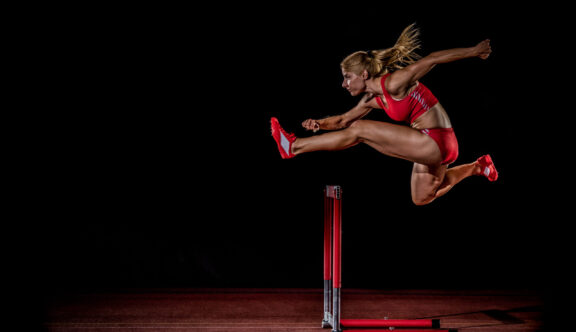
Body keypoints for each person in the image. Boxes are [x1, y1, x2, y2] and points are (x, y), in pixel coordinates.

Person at [271, 23, 498, 205]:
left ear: (364, 74)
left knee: (360, 130)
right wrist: (319, 124)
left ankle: (293, 147)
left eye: (348, 77)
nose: (344, 84)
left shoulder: (394, 83)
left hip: (436, 140)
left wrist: (474, 51)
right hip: (433, 145)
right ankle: (477, 167)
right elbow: (342, 120)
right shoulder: (373, 99)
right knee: (421, 197)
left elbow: (432, 58)